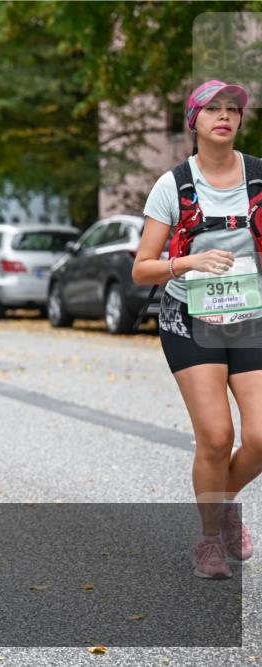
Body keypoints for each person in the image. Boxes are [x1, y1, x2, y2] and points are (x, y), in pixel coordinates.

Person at [133, 80, 261, 579]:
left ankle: (224, 502)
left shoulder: (259, 177)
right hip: (190, 318)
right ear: (195, 121)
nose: (225, 116)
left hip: (250, 318)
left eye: (233, 109)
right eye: (214, 109)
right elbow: (142, 267)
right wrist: (189, 261)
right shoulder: (174, 185)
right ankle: (209, 540)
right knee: (215, 435)